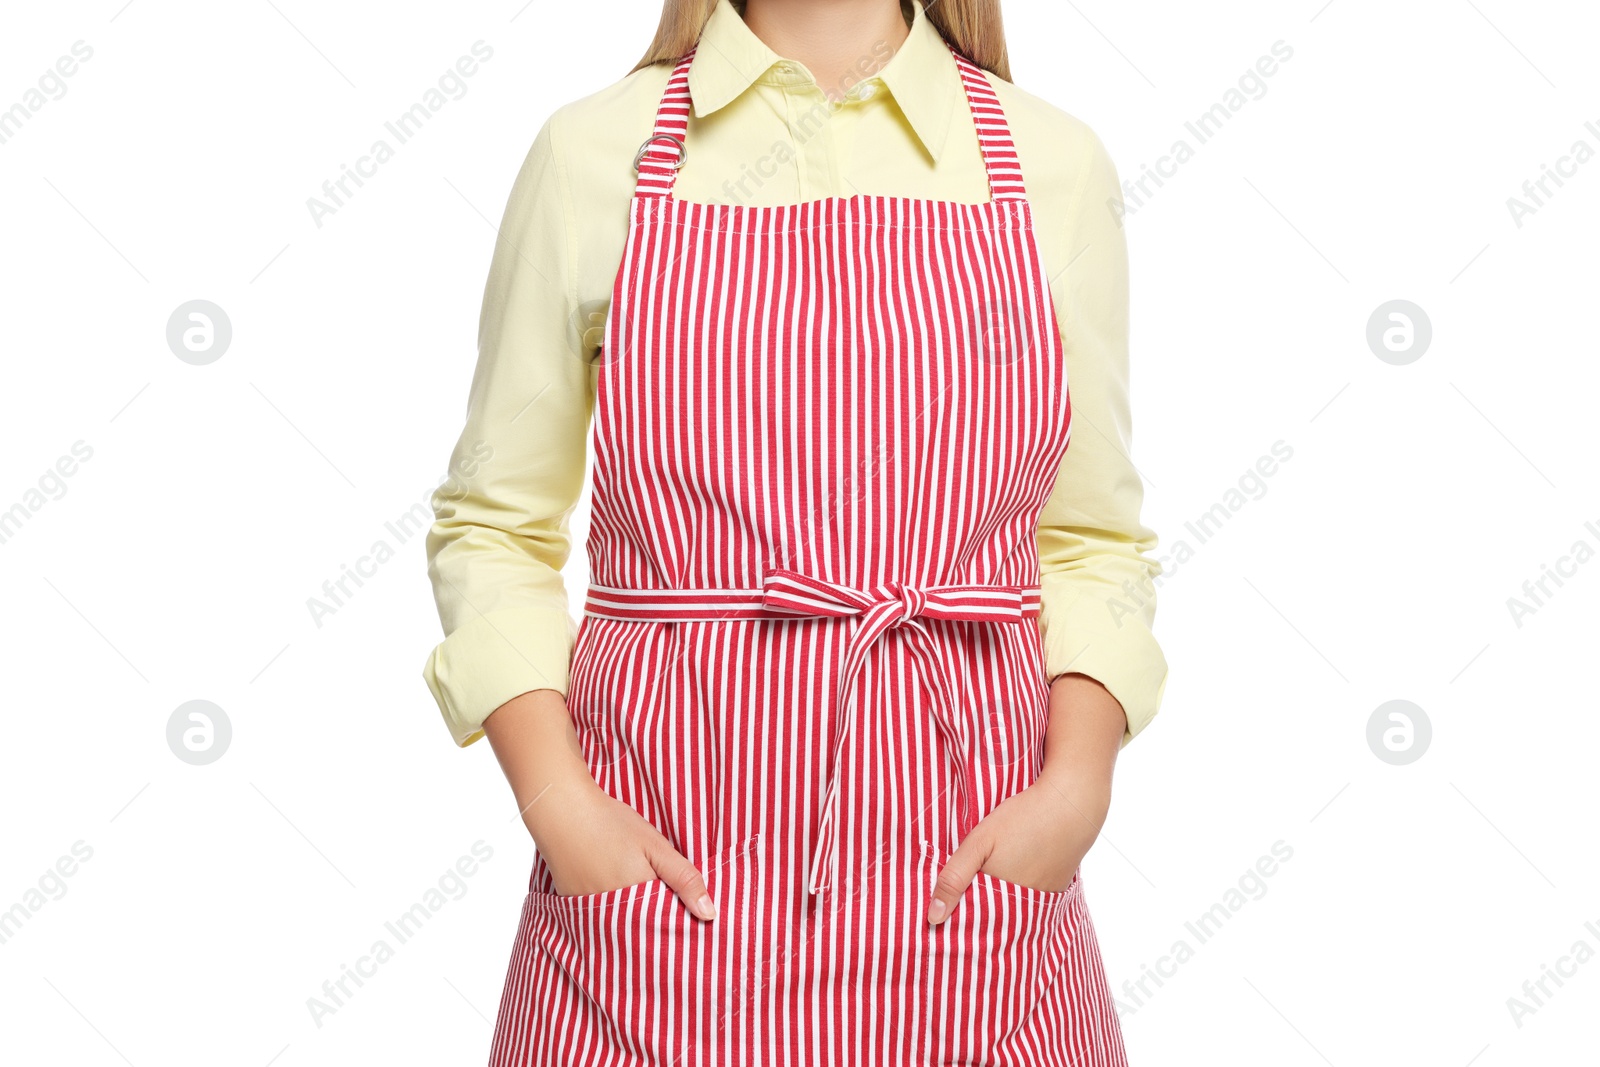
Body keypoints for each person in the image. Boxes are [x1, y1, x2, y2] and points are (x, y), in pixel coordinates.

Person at [422, 0, 1167, 1062]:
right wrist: (563, 812)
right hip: (667, 888)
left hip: (968, 893)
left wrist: (1075, 790)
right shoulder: (593, 153)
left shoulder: (1048, 159)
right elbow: (493, 522)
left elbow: (1092, 536)